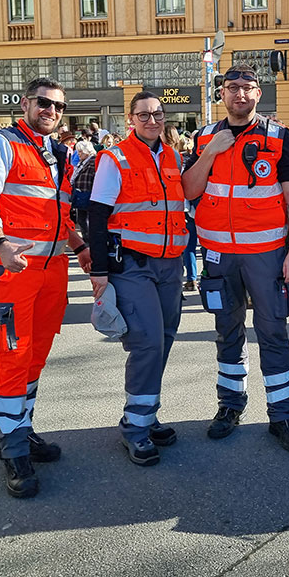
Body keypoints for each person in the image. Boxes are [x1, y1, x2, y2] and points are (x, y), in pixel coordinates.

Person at [0, 78, 91, 498]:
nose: (51, 111)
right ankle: (13, 446)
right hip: (11, 270)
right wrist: (0, 242)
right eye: (44, 102)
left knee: (36, 354)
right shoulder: (1, 144)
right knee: (12, 355)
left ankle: (21, 426)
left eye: (58, 106)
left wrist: (79, 247)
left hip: (52, 269)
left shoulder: (57, 153)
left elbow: (58, 213)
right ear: (26, 104)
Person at [181, 62, 289, 452]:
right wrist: (210, 152)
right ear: (221, 93)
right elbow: (188, 190)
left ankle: (282, 415)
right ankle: (230, 405)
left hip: (266, 254)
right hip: (219, 255)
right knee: (227, 333)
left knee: (273, 333)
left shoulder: (279, 136)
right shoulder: (204, 137)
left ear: (258, 93)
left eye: (247, 87)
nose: (239, 93)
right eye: (232, 87)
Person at [87, 92, 187, 466]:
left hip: (170, 264)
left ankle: (146, 412)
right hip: (132, 265)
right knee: (147, 342)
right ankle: (136, 427)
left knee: (164, 338)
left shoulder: (173, 157)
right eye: (143, 115)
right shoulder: (115, 158)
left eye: (158, 114)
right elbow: (97, 217)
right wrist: (99, 271)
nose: (152, 120)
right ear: (131, 119)